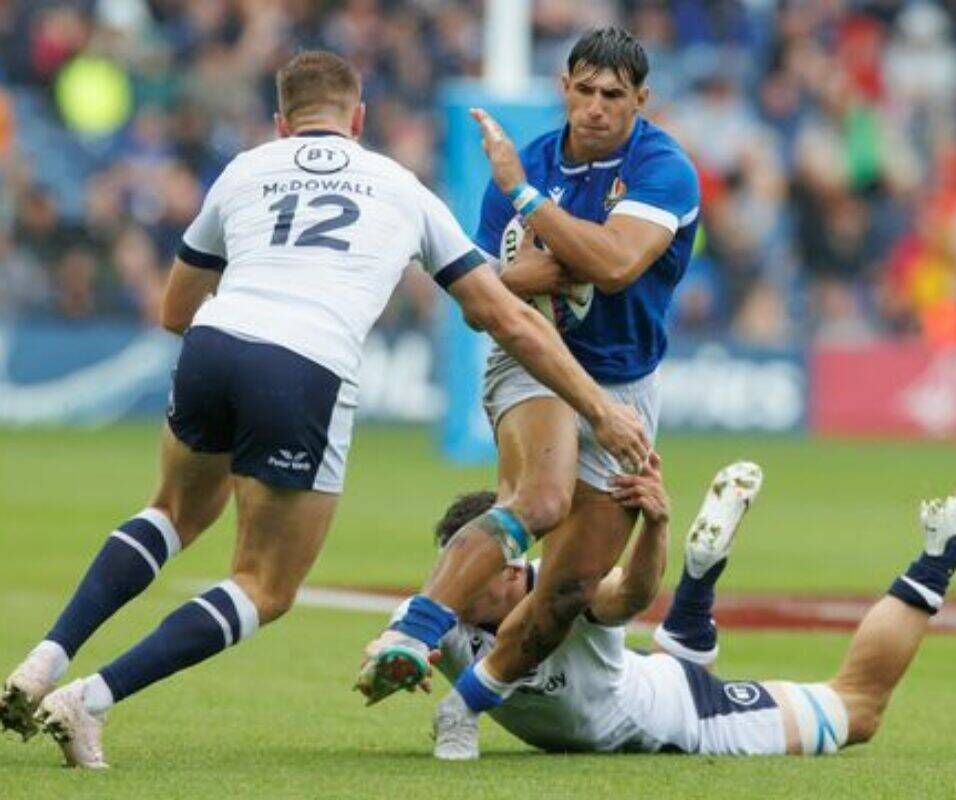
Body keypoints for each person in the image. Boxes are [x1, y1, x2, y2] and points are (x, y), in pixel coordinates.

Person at [0, 50, 648, 770]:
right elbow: (511, 320)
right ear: (360, 118)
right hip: (305, 362)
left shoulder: (245, 169)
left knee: (171, 513)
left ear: (282, 121)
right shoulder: (399, 187)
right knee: (265, 585)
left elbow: (174, 309)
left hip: (216, 340)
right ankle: (86, 700)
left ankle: (44, 658)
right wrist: (600, 407)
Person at [358, 27, 702, 746]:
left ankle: (464, 708)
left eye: (614, 96)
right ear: (565, 88)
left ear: (642, 100)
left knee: (569, 592)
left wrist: (524, 195)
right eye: (585, 90)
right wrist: (531, 271)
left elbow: (613, 265)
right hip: (535, 357)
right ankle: (413, 631)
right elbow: (481, 288)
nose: (597, 107)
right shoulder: (539, 158)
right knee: (539, 499)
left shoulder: (662, 168)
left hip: (627, 380)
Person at [364, 460, 956, 759]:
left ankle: (942, 547)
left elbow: (630, 596)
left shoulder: (566, 585)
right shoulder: (437, 608)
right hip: (644, 680)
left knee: (856, 710)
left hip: (681, 719)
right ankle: (701, 578)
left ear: (508, 567)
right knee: (669, 663)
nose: (448, 580)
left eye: (465, 565)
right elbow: (387, 646)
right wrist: (386, 664)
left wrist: (654, 528)